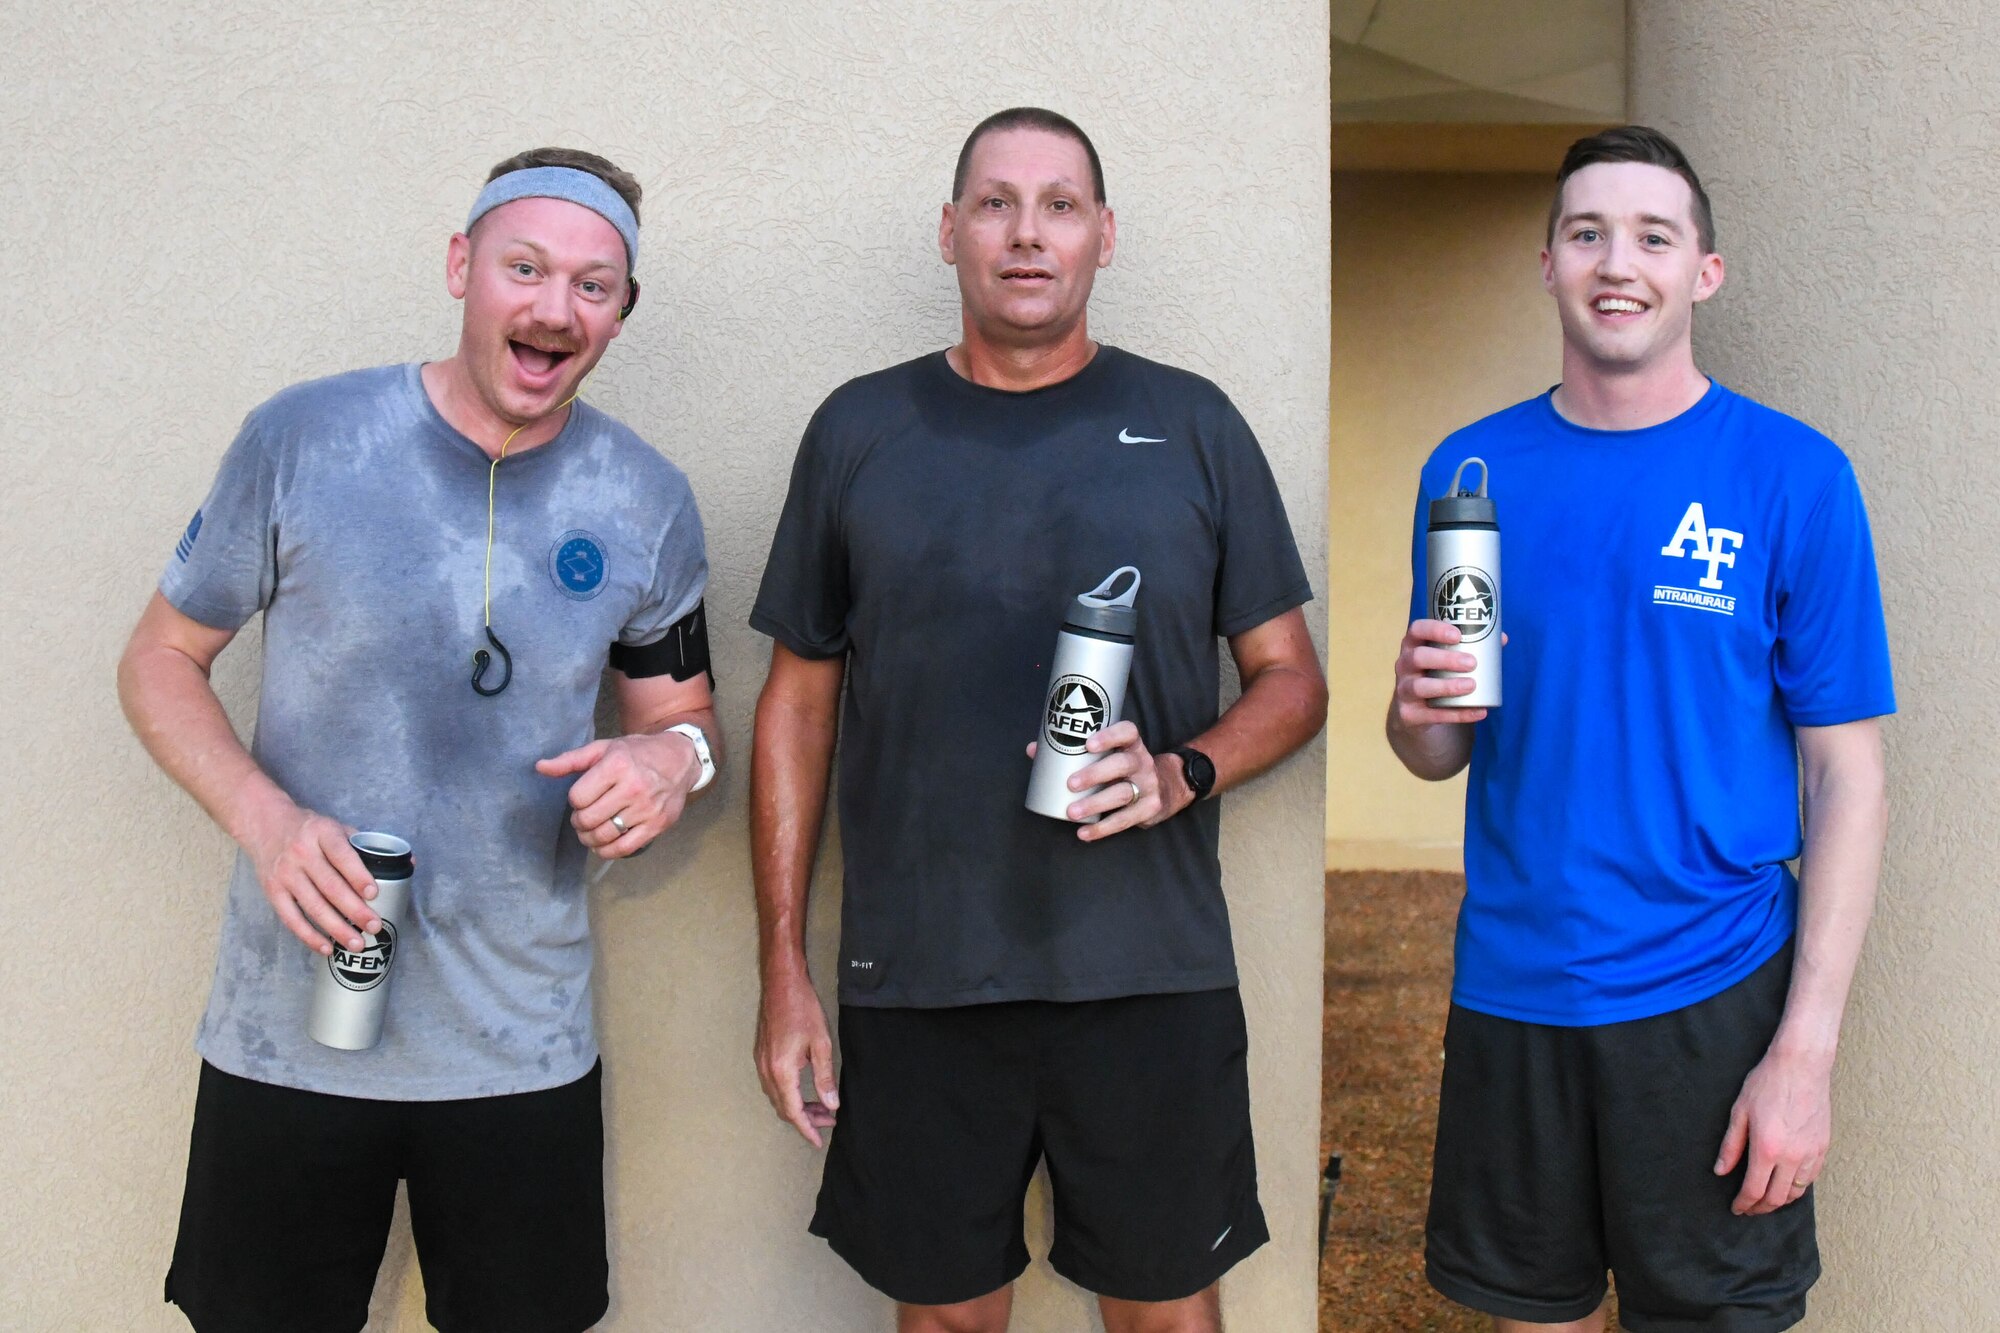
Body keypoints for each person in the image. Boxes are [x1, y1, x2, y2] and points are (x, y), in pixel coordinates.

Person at [118, 147, 720, 1333]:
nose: (554, 308)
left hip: (518, 1044)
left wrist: (669, 764)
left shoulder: (645, 498)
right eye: (526, 267)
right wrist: (267, 819)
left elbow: (684, 721)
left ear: (622, 311)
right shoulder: (304, 439)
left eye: (593, 285)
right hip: (286, 1034)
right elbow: (157, 660)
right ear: (462, 267)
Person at [748, 107, 1327, 1333]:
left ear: (1102, 237)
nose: (1026, 234)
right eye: (996, 204)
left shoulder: (1194, 426)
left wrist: (1185, 770)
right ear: (948, 231)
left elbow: (1290, 679)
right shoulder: (859, 430)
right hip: (919, 972)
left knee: (1167, 1311)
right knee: (949, 1315)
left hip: (1149, 970)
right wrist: (782, 967)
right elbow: (797, 704)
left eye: (1059, 205)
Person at [1387, 126, 1893, 1333]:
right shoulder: (1469, 469)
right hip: (1516, 985)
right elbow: (1440, 747)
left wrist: (1802, 1055)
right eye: (1586, 232)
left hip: (1711, 992)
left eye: (1652, 236)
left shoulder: (1791, 476)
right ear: (1548, 263)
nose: (1618, 261)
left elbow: (1845, 774)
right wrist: (1414, 715)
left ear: (1700, 271)